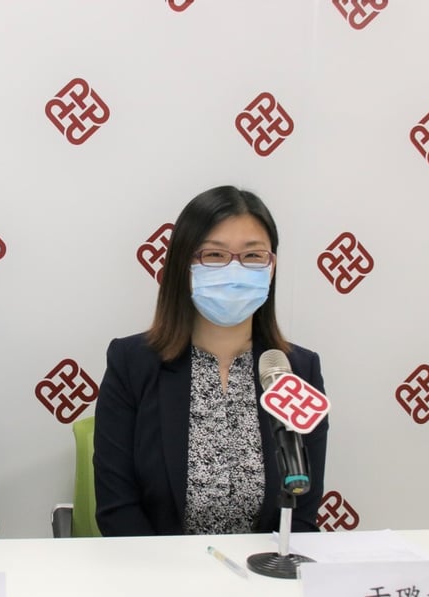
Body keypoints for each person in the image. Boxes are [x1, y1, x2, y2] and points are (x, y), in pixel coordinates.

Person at [93, 185, 328, 536]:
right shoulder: (132, 364)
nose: (235, 270)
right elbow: (117, 510)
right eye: (215, 256)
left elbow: (303, 518)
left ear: (272, 267)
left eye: (252, 256)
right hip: (158, 577)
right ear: (183, 264)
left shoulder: (296, 371)